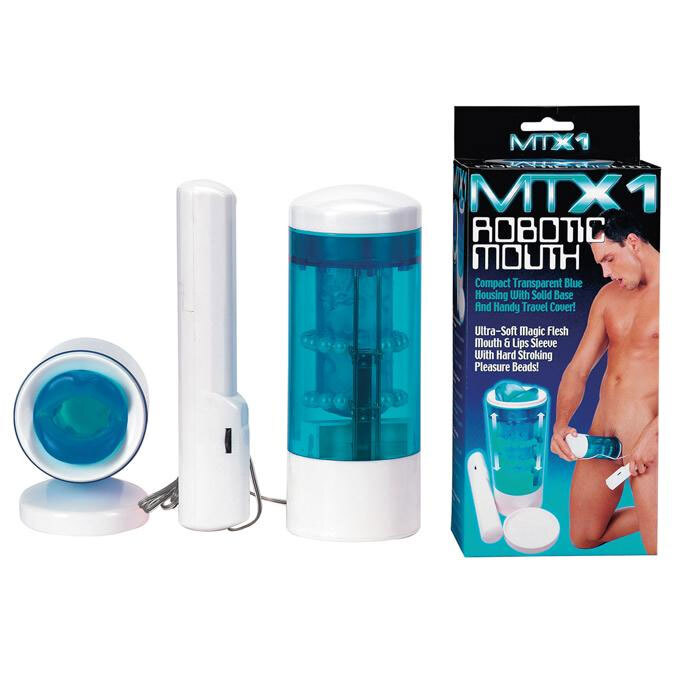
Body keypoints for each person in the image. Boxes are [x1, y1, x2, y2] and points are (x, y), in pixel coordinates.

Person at [550, 211, 659, 554]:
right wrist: (561, 424)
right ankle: (664, 514)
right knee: (584, 535)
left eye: (609, 259)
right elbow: (578, 369)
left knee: (658, 549)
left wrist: (654, 436)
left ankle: (661, 518)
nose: (606, 272)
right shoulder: (608, 296)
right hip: (603, 433)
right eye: (600, 264)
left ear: (633, 243)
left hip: (648, 435)